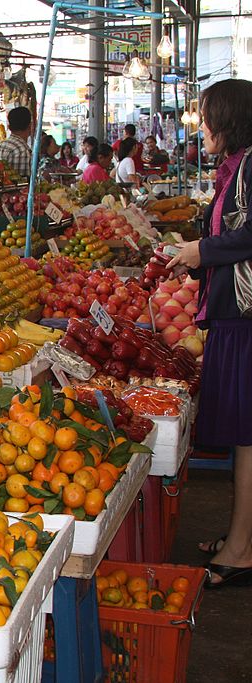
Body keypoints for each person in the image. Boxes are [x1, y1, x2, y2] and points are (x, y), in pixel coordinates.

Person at [166, 79, 252, 589]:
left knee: (247, 436)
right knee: (245, 438)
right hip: (232, 312)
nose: (202, 125)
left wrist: (204, 253)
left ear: (228, 117)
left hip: (244, 317)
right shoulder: (236, 168)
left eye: (207, 115)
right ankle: (240, 536)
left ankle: (242, 551)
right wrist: (195, 258)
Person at [0, 106, 33, 177]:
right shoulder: (22, 150)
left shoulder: (1, 145)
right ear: (30, 126)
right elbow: (23, 183)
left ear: (9, 127)